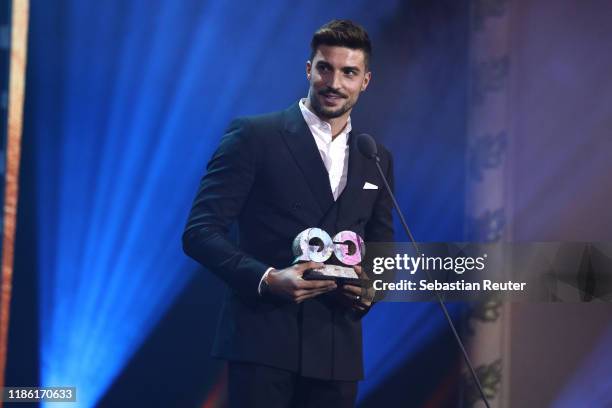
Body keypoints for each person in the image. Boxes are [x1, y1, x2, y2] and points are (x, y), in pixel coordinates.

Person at [183, 19, 394, 408]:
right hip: (264, 343)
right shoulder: (255, 136)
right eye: (325, 68)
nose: (334, 83)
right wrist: (266, 278)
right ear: (308, 69)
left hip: (337, 352)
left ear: (365, 81)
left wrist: (371, 289)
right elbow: (200, 232)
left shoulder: (375, 157)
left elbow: (382, 250)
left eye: (349, 72)